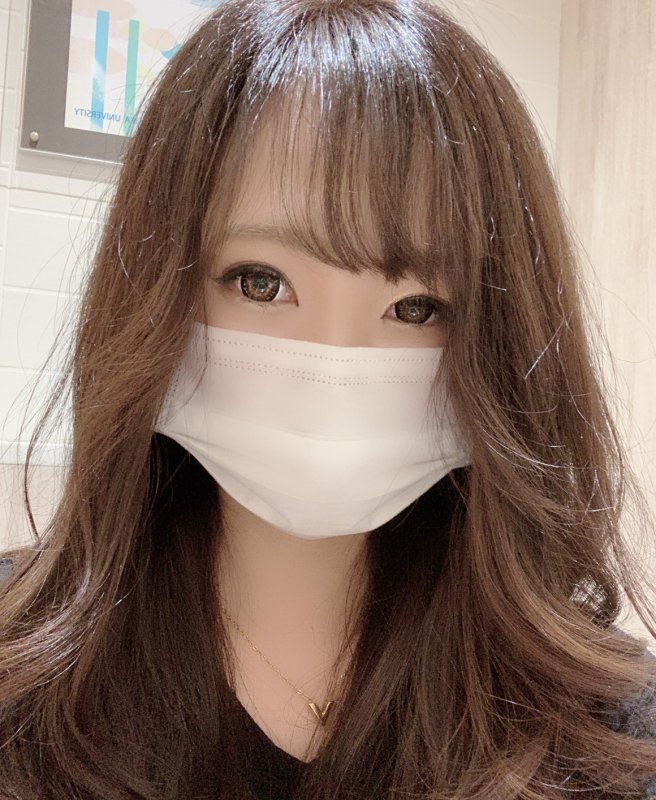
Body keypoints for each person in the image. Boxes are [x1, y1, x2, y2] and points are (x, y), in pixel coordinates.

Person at [1, 0, 655, 798]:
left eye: (417, 308)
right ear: (151, 295)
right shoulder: (21, 680)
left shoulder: (603, 727)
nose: (332, 366)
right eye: (259, 282)